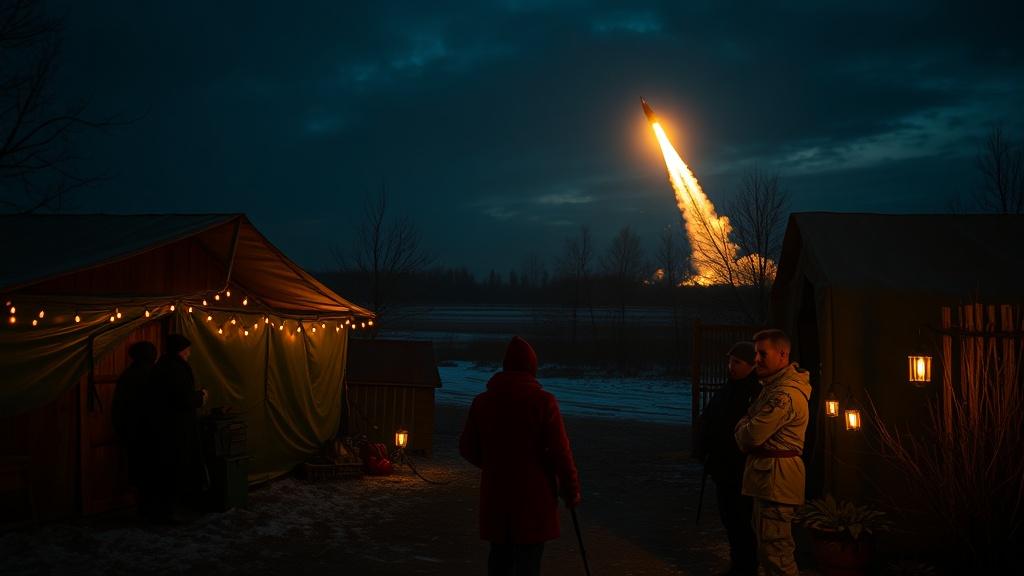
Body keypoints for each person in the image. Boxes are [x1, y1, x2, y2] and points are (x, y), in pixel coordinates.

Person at [459, 336, 581, 576]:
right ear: (532, 368)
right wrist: (571, 489)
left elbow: (467, 448)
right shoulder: (543, 402)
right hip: (534, 498)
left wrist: (494, 464)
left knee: (499, 558)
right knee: (529, 562)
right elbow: (561, 451)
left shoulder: (483, 402)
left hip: (497, 495)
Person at [734, 329, 811, 576]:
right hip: (768, 481)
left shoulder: (783, 395)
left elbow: (750, 434)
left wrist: (743, 428)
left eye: (762, 354)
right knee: (767, 554)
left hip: (776, 482)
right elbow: (748, 425)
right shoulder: (771, 388)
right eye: (756, 353)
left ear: (782, 354)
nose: (756, 359)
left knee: (777, 555)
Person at [695, 341, 760, 576]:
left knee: (741, 520)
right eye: (730, 362)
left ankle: (746, 566)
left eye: (737, 362)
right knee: (730, 518)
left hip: (739, 468)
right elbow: (710, 418)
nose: (730, 367)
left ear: (752, 365)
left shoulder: (754, 393)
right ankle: (739, 563)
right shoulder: (728, 389)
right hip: (722, 466)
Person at [148, 333, 208, 522]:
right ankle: (174, 510)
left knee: (169, 468)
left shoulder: (162, 366)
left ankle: (168, 508)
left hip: (166, 427)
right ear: (182, 350)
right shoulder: (176, 369)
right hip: (176, 427)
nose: (189, 353)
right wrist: (200, 397)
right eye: (188, 349)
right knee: (176, 467)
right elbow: (181, 398)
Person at [112, 340, 158, 514]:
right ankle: (150, 509)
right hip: (148, 432)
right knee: (150, 471)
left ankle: (144, 507)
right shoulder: (150, 375)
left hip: (132, 431)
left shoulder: (128, 376)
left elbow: (118, 407)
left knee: (139, 471)